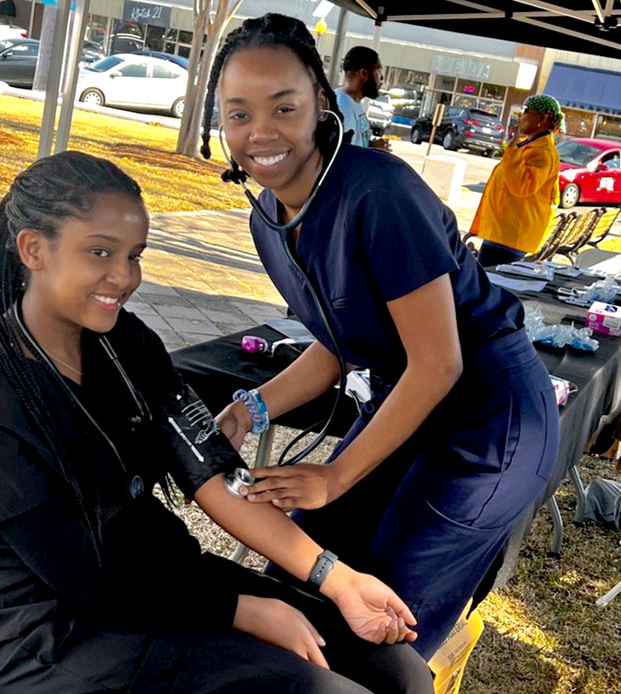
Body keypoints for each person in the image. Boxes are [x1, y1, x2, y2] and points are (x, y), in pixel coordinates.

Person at [0, 151, 435, 694]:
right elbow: (86, 579)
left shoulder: (126, 344)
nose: (124, 277)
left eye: (134, 256)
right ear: (34, 249)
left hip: (174, 586)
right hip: (64, 642)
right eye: (100, 253)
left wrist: (337, 579)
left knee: (400, 678)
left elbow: (215, 475)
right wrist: (244, 611)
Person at [199, 13, 559, 661]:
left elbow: (439, 363)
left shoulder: (379, 193)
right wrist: (252, 407)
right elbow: (339, 340)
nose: (261, 132)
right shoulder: (267, 217)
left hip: (489, 421)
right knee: (303, 573)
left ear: (321, 101)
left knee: (387, 615)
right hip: (408, 405)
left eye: (283, 106)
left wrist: (335, 475)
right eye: (238, 113)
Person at [471, 95, 563, 267]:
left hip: (510, 236)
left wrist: (512, 149)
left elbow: (521, 186)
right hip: (503, 232)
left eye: (526, 112)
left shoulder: (543, 153)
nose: (520, 117)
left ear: (542, 118)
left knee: (489, 285)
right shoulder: (530, 146)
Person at [334, 45, 390, 151]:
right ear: (364, 73)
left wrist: (371, 145)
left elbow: (354, 146)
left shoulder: (352, 103)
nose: (381, 80)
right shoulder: (343, 107)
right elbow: (344, 156)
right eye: (378, 72)